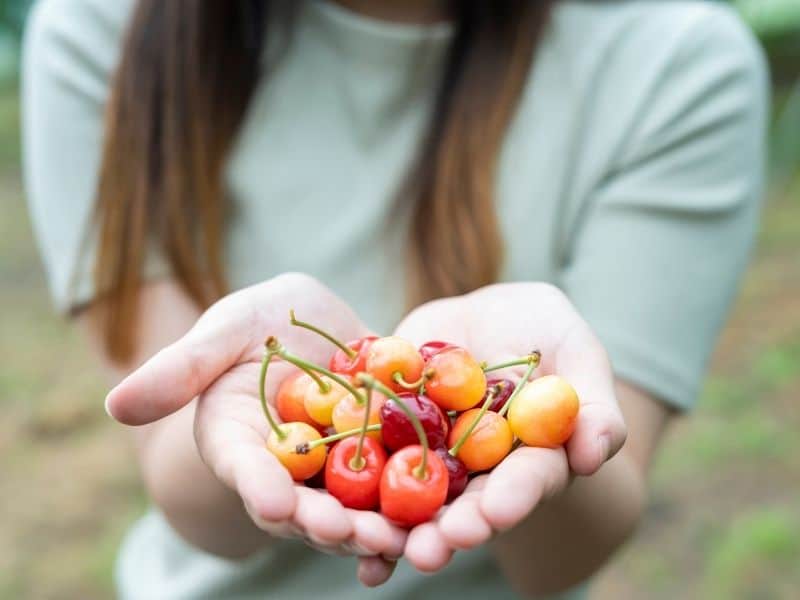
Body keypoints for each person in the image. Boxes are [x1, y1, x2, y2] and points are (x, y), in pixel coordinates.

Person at [22, 0, 767, 598]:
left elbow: (564, 559)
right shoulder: (101, 30)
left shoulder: (679, 62)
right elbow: (188, 495)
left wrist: (551, 443)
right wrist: (233, 419)